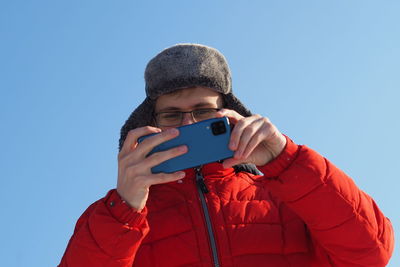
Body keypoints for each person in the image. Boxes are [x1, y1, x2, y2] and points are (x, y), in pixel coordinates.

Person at [59, 44, 394, 267]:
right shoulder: (121, 218)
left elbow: (371, 252)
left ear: (229, 114)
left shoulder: (285, 195)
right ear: (151, 125)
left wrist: (286, 160)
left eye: (203, 112)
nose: (188, 123)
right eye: (172, 115)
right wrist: (124, 208)